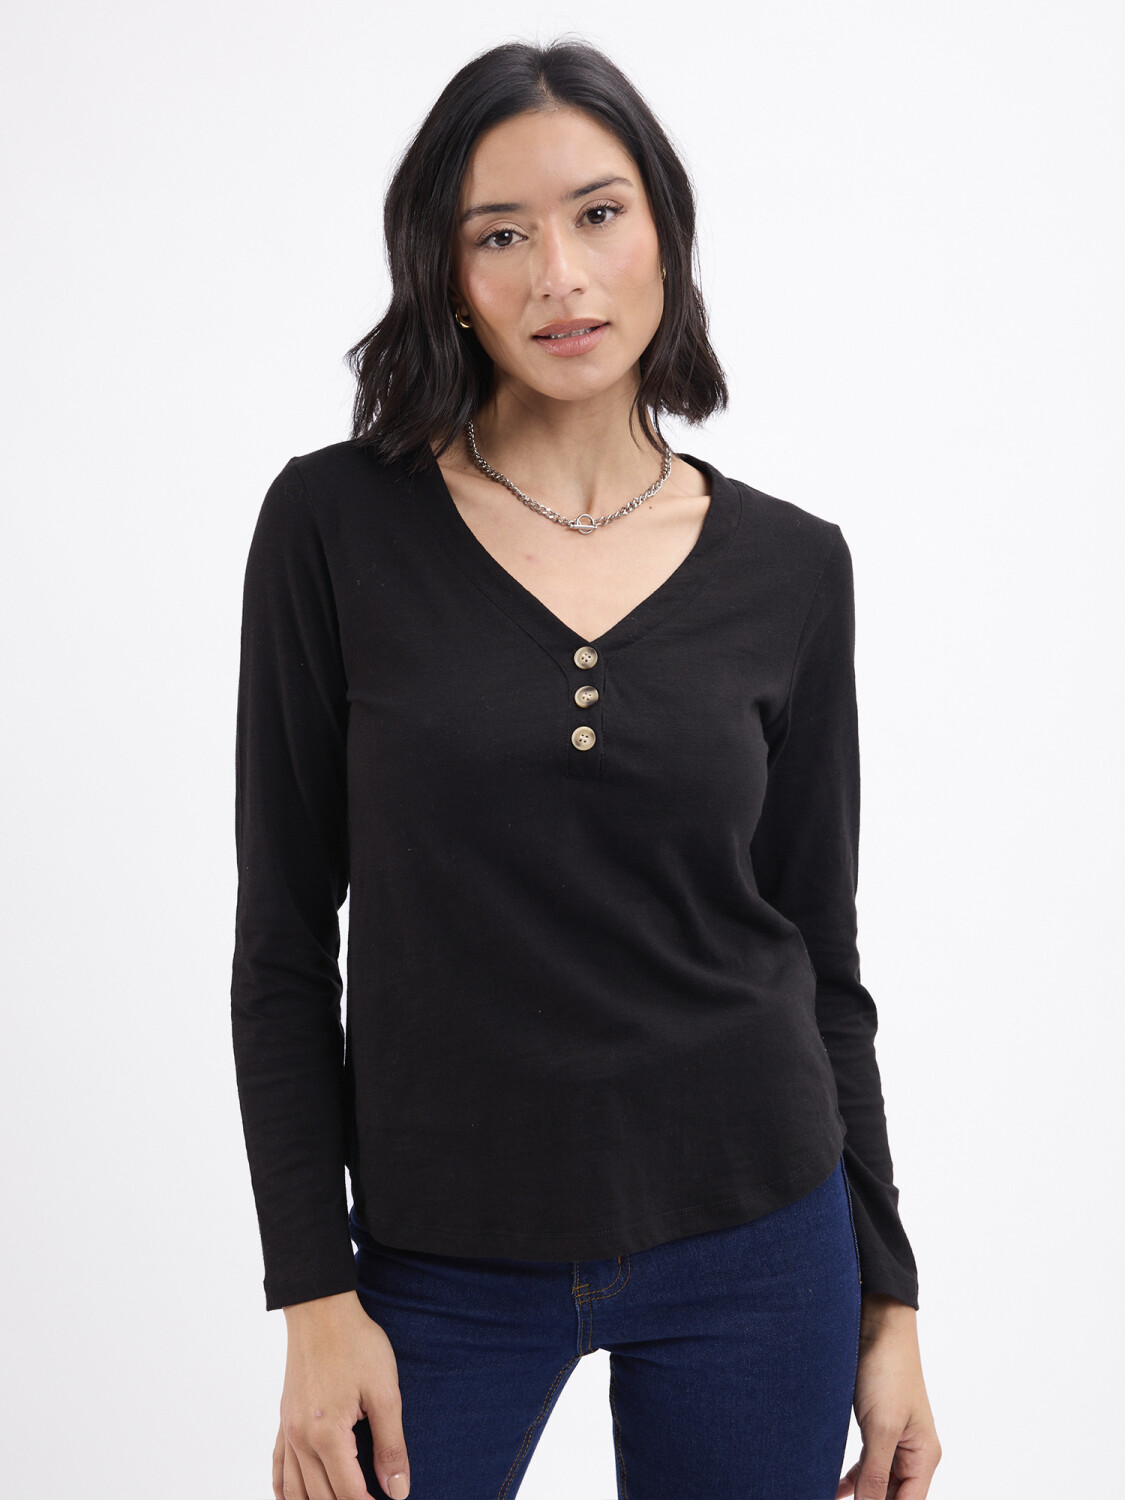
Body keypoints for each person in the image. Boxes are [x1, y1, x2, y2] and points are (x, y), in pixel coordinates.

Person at [231, 35, 942, 1500]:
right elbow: (284, 944)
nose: (558, 275)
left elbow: (822, 958)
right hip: (434, 1260)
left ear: (663, 234)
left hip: (760, 1243)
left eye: (597, 214)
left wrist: (890, 1299)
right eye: (501, 234)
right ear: (444, 271)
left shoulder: (793, 568)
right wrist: (311, 1293)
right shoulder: (332, 529)